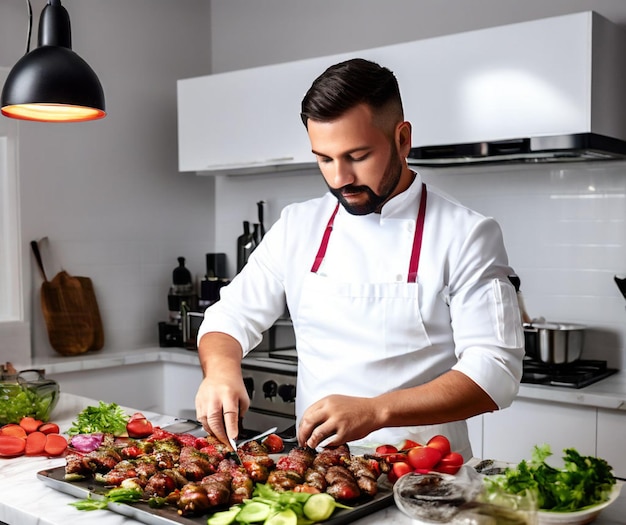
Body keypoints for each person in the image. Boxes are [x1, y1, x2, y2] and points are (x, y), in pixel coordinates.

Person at [194, 58, 524, 460]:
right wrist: (221, 370)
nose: (339, 179)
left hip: (425, 479)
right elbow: (229, 317)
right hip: (317, 473)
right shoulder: (298, 225)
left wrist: (376, 410)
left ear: (402, 139)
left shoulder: (466, 233)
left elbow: (496, 373)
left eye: (357, 156)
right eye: (324, 158)